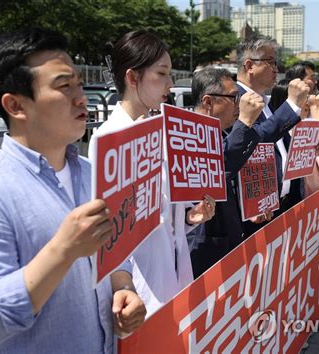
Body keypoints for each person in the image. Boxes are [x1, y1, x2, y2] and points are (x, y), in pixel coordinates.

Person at [0, 28, 146, 353]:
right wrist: (62, 252)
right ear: (15, 105)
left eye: (79, 84)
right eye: (63, 86)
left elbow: (115, 252)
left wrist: (123, 286)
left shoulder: (91, 174)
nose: (81, 97)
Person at [89, 30, 215, 318]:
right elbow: (110, 234)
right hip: (138, 290)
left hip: (173, 279)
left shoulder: (162, 132)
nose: (170, 85)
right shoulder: (109, 141)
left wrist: (188, 218)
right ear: (133, 78)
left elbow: (166, 217)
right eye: (162, 74)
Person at [189, 67, 267, 277]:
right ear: (208, 102)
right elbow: (218, 171)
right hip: (206, 254)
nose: (239, 104)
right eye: (234, 97)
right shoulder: (187, 136)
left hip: (232, 239)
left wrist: (252, 208)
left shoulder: (225, 130)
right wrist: (244, 122)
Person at [236, 37, 309, 231]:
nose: (276, 68)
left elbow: (279, 145)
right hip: (253, 214)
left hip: (277, 203)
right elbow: (252, 142)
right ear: (250, 65)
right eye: (270, 62)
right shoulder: (233, 99)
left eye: (276, 62)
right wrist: (292, 103)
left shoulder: (265, 101)